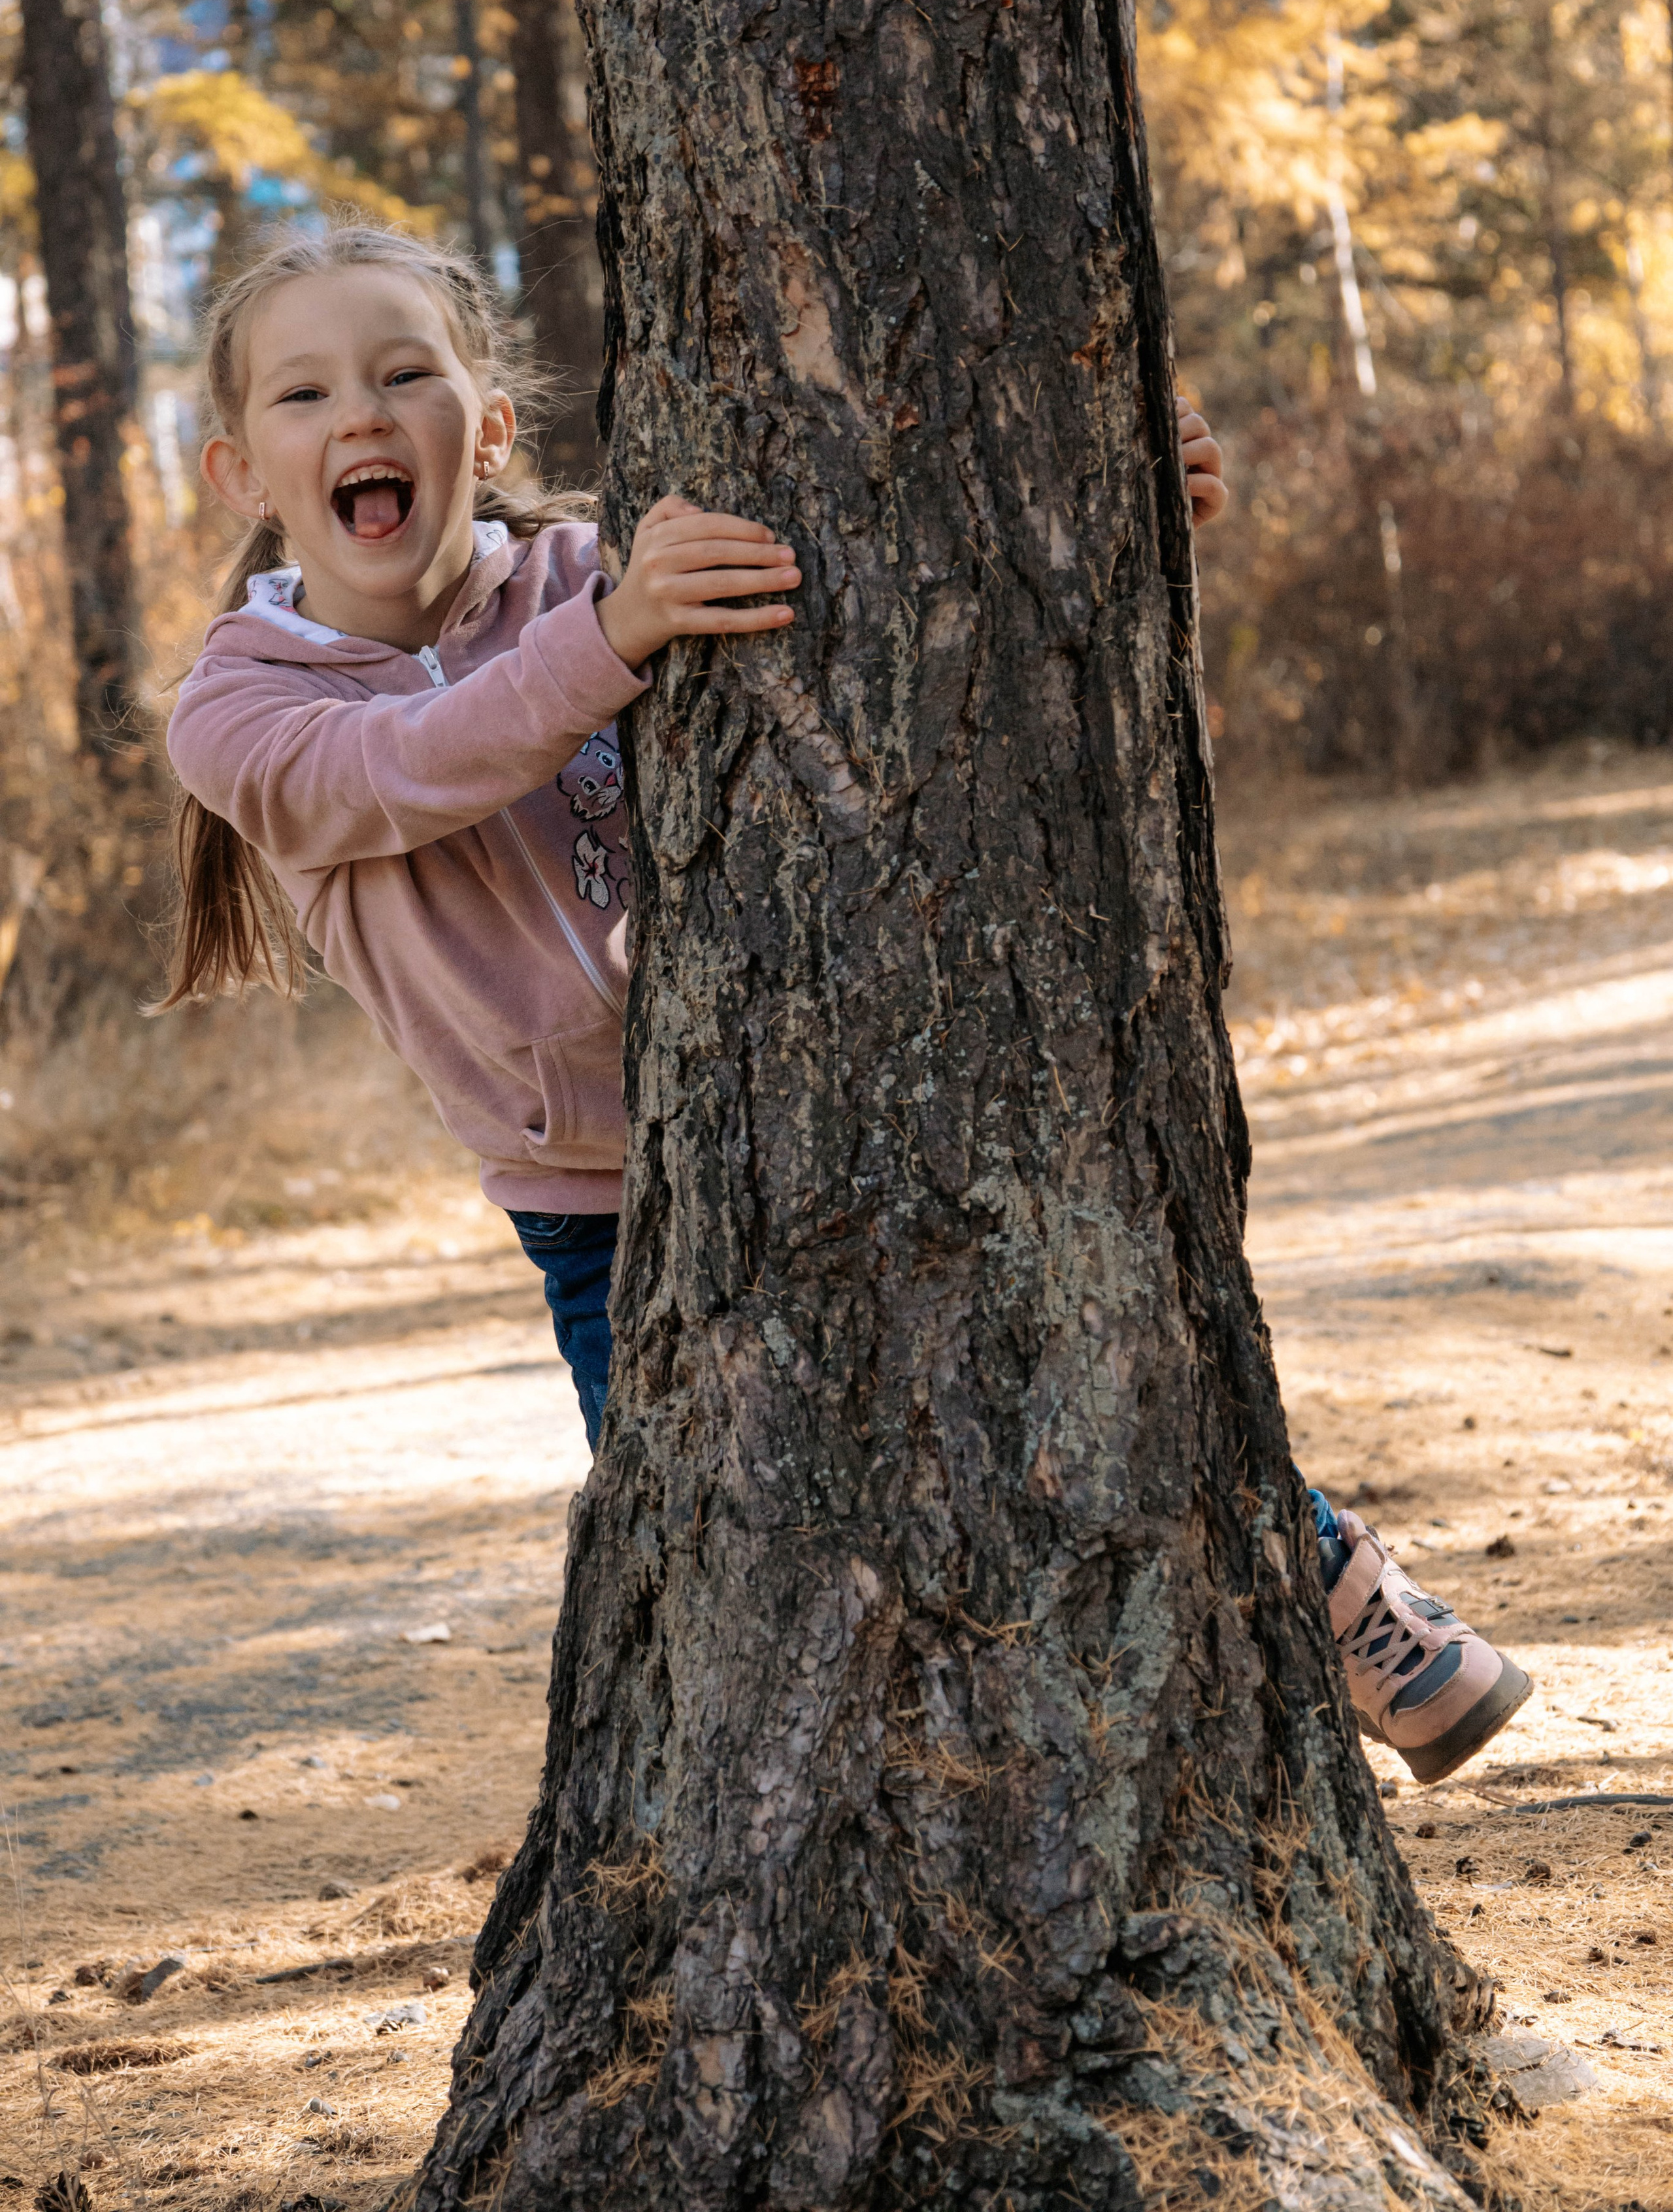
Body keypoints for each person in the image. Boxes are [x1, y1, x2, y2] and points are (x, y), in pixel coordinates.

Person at [162, 224, 1527, 1786]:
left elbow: (893, 635)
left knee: (1060, 1349)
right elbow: (418, 766)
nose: (362, 415)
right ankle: (782, 1822)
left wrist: (1115, 503)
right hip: (607, 1210)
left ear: (486, 428)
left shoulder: (600, 565)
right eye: (305, 394)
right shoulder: (244, 704)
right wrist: (609, 642)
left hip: (817, 1086)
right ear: (241, 473)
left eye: (406, 374)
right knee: (724, 1524)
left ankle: (1340, 1590)